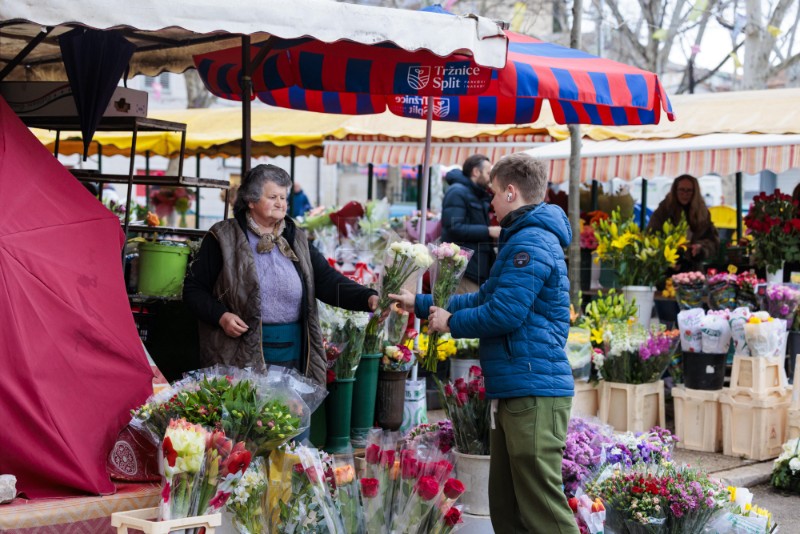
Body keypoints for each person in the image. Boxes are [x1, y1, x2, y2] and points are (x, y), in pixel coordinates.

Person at [391, 153, 577, 533]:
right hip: (515, 383)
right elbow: (484, 297)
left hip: (533, 387)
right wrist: (423, 303)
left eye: (493, 194)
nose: (490, 203)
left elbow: (504, 313)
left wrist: (451, 323)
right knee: (507, 508)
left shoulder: (533, 242)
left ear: (511, 192)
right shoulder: (521, 238)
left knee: (543, 509)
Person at [184, 164, 378, 386]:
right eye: (273, 196)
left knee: (288, 415)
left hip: (293, 351)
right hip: (240, 352)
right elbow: (193, 290)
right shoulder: (223, 237)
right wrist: (221, 316)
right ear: (251, 200)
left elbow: (325, 280)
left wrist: (367, 298)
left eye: (284, 197)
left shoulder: (295, 237)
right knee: (250, 417)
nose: (281, 203)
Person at [441, 154, 500, 293]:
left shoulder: (477, 193)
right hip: (464, 270)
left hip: (476, 267)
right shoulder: (457, 192)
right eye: (487, 173)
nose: (490, 178)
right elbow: (455, 227)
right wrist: (488, 231)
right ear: (475, 172)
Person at [647, 174, 719, 272]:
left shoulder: (702, 213)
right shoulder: (664, 210)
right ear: (675, 190)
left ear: (695, 192)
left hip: (693, 270)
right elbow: (652, 235)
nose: (685, 194)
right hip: (666, 268)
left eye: (689, 190)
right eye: (681, 190)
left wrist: (700, 248)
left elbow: (712, 241)